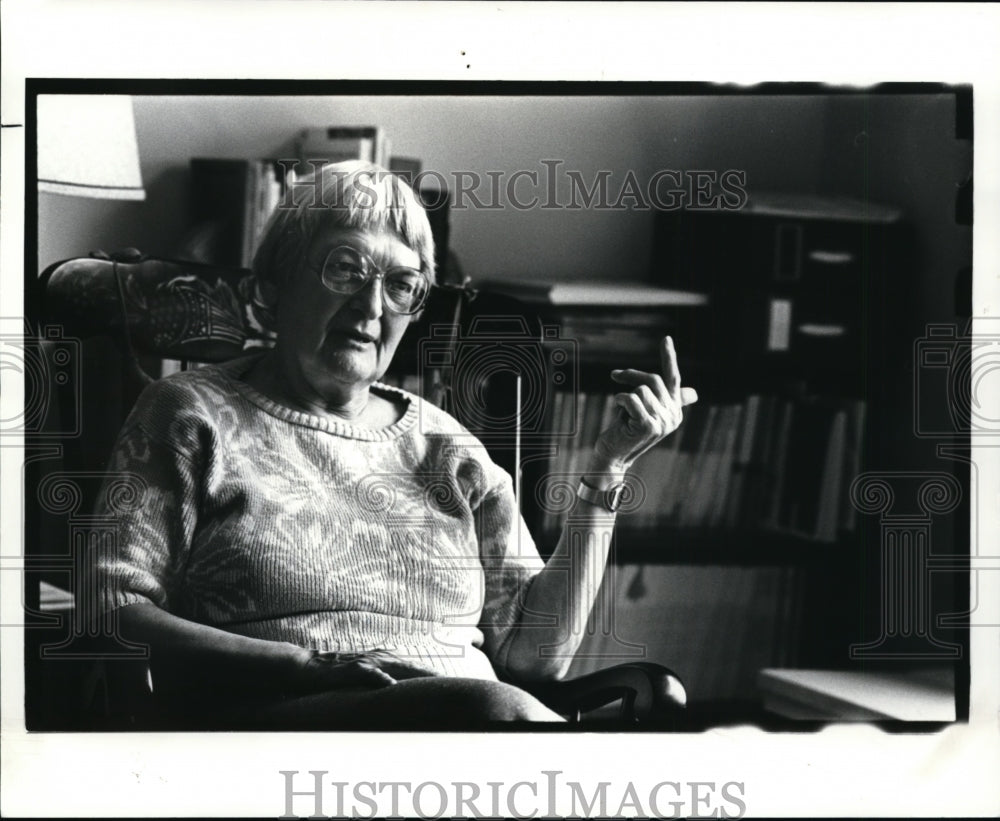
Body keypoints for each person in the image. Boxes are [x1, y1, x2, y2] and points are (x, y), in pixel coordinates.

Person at [91, 161, 697, 728]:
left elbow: (538, 656)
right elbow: (114, 609)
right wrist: (297, 664)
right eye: (345, 269)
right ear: (271, 287)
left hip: (476, 729)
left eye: (401, 284)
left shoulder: (448, 448)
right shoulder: (189, 413)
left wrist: (608, 467)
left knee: (512, 715)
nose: (372, 304)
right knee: (500, 715)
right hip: (281, 729)